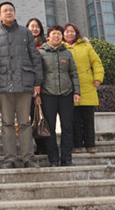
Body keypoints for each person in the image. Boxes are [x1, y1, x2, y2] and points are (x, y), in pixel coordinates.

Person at [0, 1, 43, 169]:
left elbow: (35, 58)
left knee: (25, 122)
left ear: (14, 12)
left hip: (24, 84)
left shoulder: (26, 33)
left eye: (11, 9)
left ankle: (28, 158)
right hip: (4, 86)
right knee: (7, 123)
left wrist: (37, 83)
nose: (8, 12)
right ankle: (9, 158)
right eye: (5, 10)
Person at [39, 25, 81, 167]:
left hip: (66, 94)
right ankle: (53, 159)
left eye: (59, 34)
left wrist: (76, 92)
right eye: (53, 34)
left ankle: (67, 158)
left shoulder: (67, 53)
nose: (56, 36)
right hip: (47, 94)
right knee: (49, 128)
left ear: (62, 37)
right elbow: (38, 74)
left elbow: (73, 73)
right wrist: (37, 93)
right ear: (48, 36)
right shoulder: (41, 53)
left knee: (67, 127)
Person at [63, 23, 104, 154]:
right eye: (67, 31)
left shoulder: (86, 46)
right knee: (74, 119)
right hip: (69, 88)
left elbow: (96, 62)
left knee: (88, 119)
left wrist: (98, 77)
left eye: (72, 31)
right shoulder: (61, 47)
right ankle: (77, 146)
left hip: (87, 86)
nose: (70, 34)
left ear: (76, 33)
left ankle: (90, 145)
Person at [26, 17, 47, 155]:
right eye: (32, 26)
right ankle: (39, 146)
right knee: (34, 116)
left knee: (45, 117)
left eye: (37, 26)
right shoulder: (24, 44)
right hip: (30, 86)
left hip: (45, 86)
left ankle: (47, 145)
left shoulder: (46, 44)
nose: (34, 29)